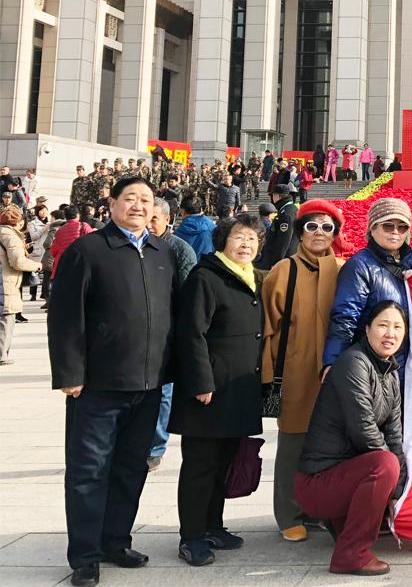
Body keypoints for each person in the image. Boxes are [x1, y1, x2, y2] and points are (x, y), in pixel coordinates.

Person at [48, 176, 177, 587]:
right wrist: (70, 374)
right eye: (130, 198)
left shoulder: (162, 252)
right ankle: (85, 556)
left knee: (130, 468)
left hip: (149, 385)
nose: (139, 206)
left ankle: (116, 541)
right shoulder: (88, 250)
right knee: (88, 471)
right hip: (97, 386)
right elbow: (65, 316)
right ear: (112, 202)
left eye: (146, 199)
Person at [169, 213, 264, 567]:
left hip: (237, 390)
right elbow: (191, 333)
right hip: (209, 390)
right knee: (200, 465)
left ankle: (213, 525)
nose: (246, 244)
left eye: (252, 239)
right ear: (223, 240)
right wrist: (200, 381)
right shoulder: (206, 277)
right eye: (239, 237)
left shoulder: (250, 277)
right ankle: (191, 536)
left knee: (223, 463)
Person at [296, 301, 408, 576]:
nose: (390, 334)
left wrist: (397, 492)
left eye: (397, 327)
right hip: (318, 483)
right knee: (385, 465)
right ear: (367, 329)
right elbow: (363, 429)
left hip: (346, 476)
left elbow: (394, 436)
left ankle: (343, 527)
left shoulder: (391, 372)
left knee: (392, 463)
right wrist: (392, 475)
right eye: (382, 325)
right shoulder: (353, 363)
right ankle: (351, 555)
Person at [262, 200, 346, 541]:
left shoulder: (342, 269)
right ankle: (289, 514)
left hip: (333, 373)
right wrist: (268, 374)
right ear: (299, 232)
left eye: (327, 227)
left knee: (329, 445)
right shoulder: (284, 270)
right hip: (295, 370)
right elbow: (268, 326)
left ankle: (318, 509)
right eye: (312, 226)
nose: (319, 233)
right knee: (293, 444)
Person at [324, 198, 412, 373]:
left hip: (403, 367)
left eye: (402, 227)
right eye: (388, 226)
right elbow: (345, 317)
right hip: (370, 367)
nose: (395, 232)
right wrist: (334, 363)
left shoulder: (410, 265)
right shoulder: (360, 266)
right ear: (372, 228)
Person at [146, 198, 198, 471]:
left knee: (164, 390)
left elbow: (188, 294)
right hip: (140, 333)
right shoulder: (136, 246)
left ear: (168, 220)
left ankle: (155, 447)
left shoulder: (180, 250)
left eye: (154, 219)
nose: (148, 224)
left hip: (167, 331)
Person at [0, 206, 41, 364]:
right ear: (19, 222)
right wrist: (36, 266)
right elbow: (17, 262)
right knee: (6, 318)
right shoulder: (11, 236)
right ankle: (1, 355)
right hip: (6, 282)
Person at [259, 182, 299, 271]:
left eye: (273, 195)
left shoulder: (286, 213)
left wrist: (277, 262)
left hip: (284, 261)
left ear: (277, 196)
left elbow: (284, 241)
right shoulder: (288, 209)